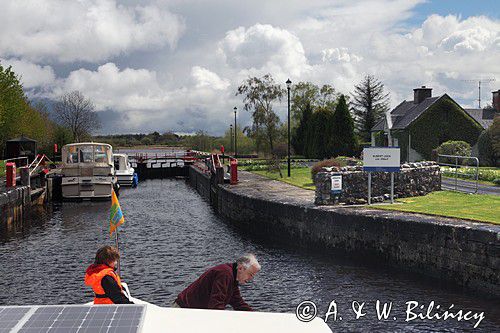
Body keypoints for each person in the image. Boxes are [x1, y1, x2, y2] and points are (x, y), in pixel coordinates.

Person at [174, 254, 261, 310]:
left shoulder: (232, 276)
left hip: (191, 311)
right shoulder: (225, 274)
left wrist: (254, 316)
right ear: (241, 268)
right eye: (250, 274)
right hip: (183, 311)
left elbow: (237, 301)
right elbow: (216, 305)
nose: (251, 278)